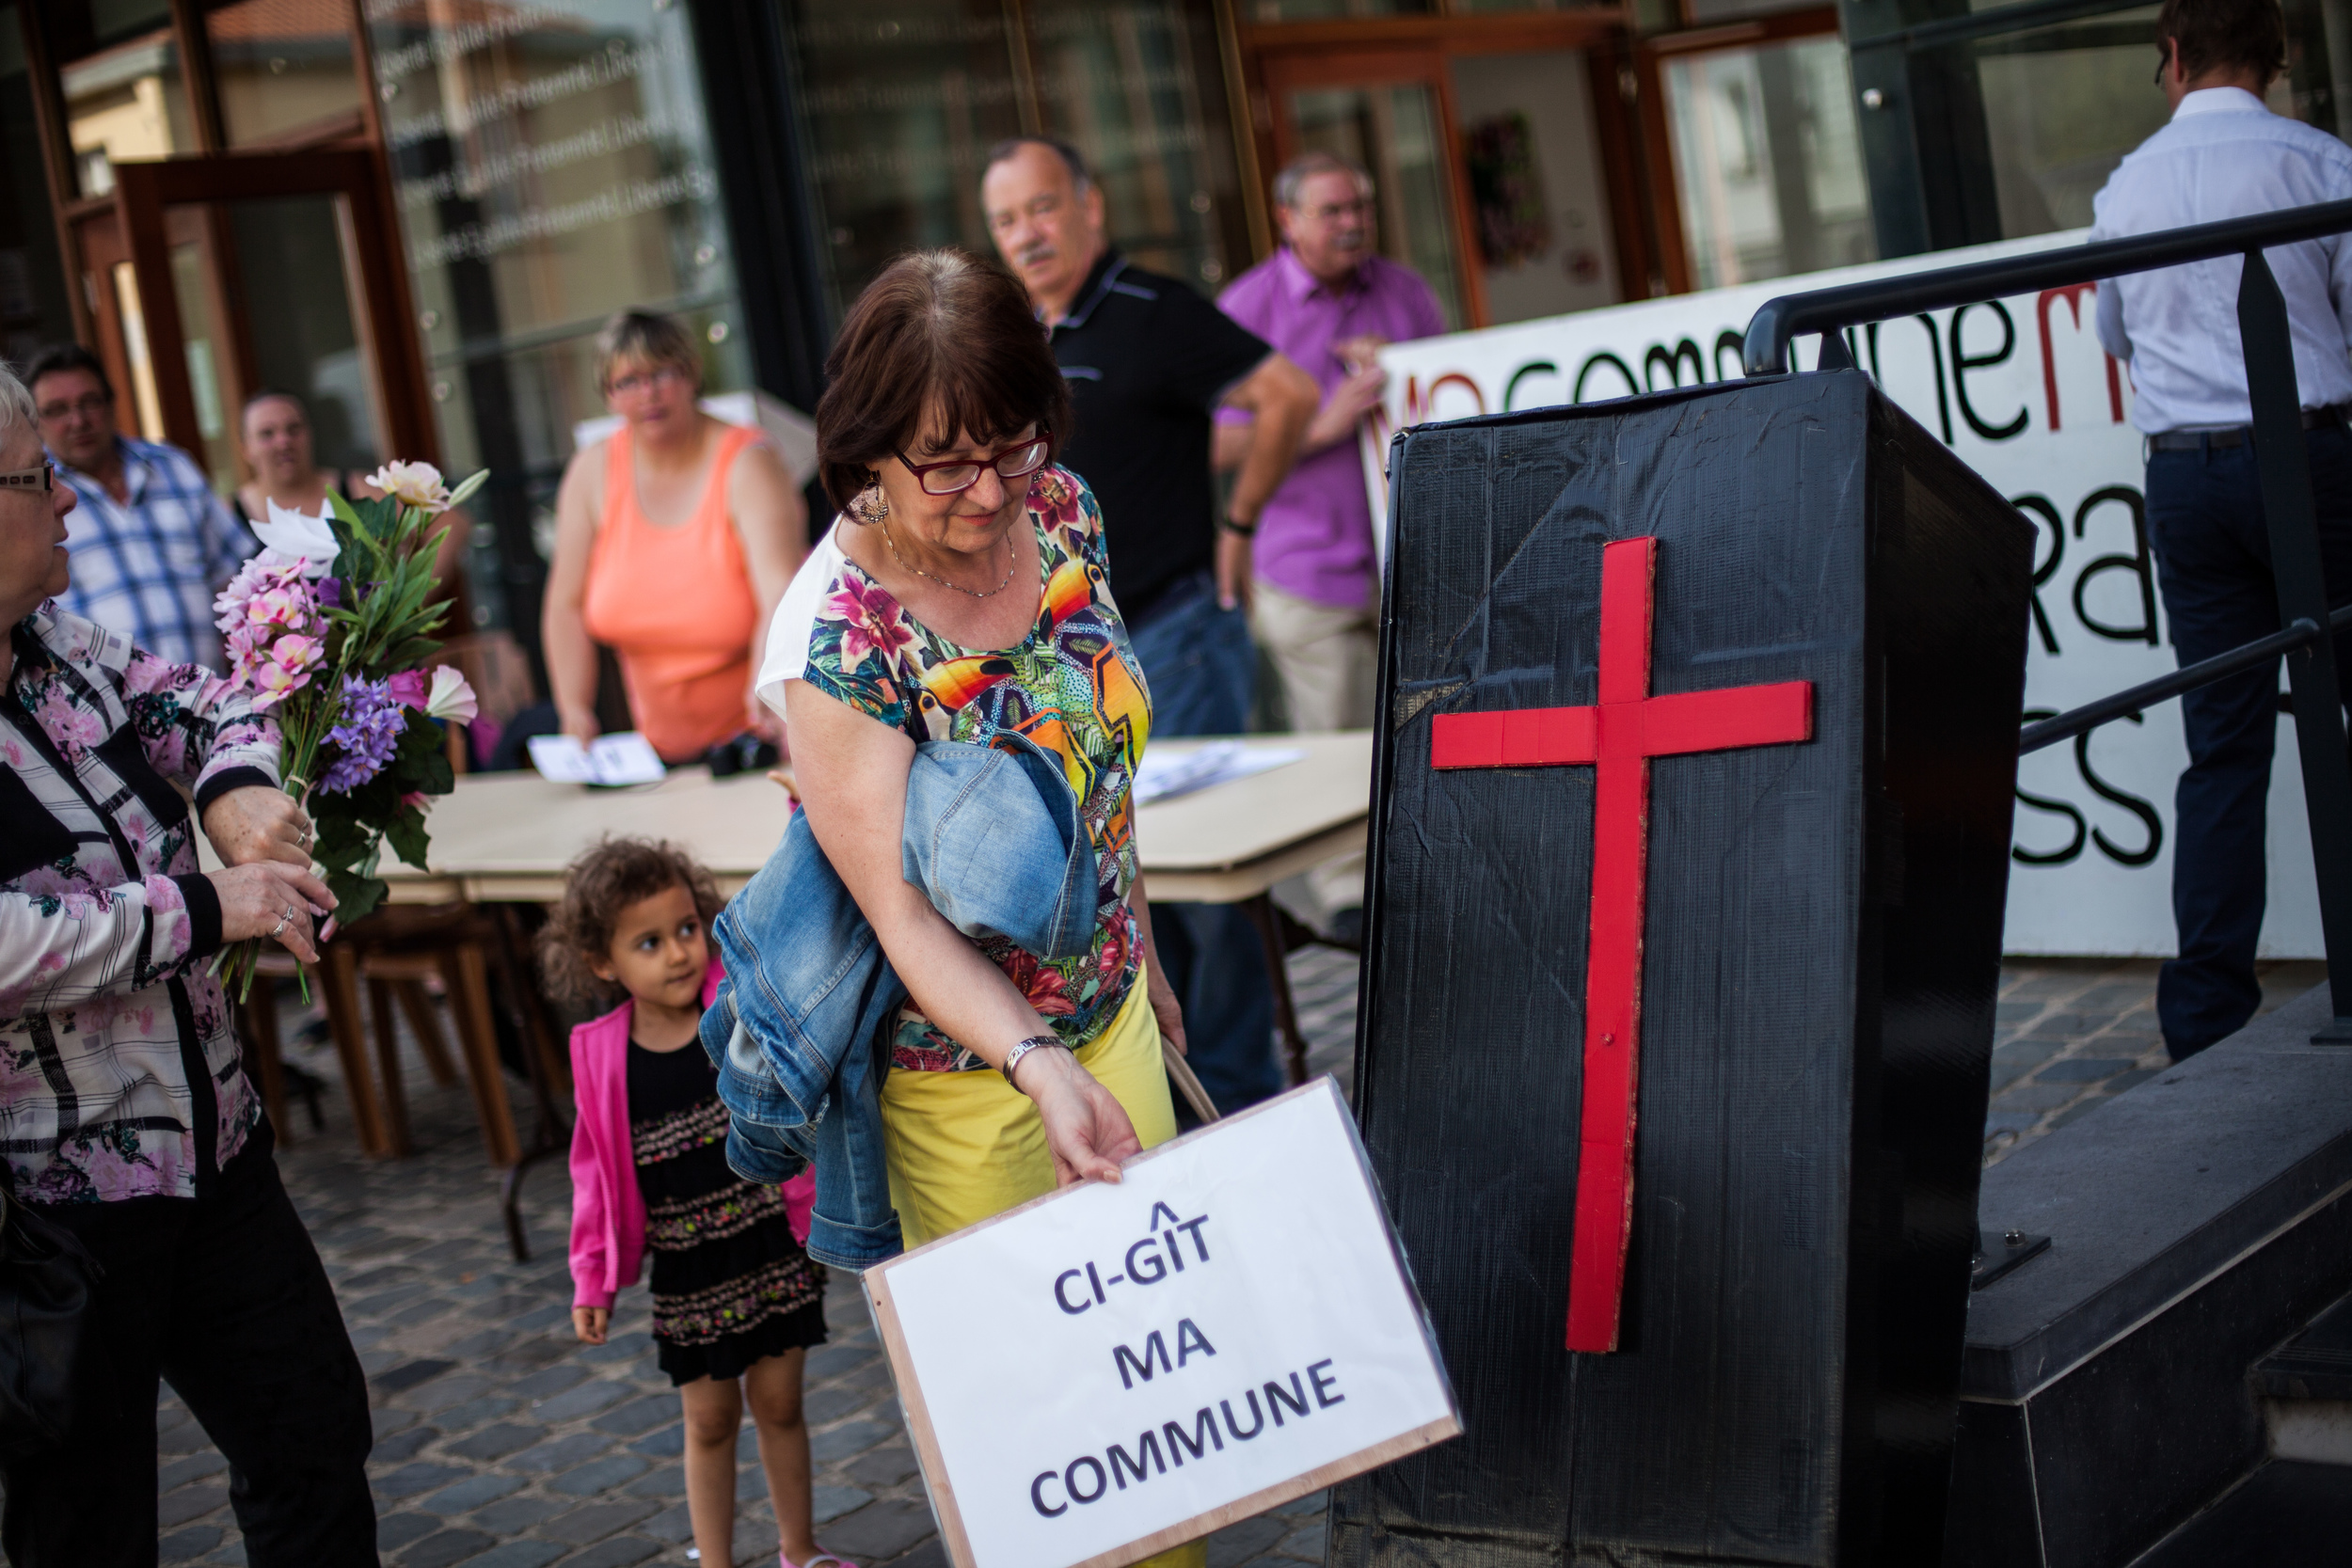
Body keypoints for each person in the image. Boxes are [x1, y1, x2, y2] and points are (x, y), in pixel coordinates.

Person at [755, 248, 1205, 1568]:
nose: (988, 490)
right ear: (869, 451)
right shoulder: (838, 640)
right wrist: (1039, 1062)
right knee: (1056, 1459)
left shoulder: (1063, 509)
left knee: (1168, 1419)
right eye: (947, 461)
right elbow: (903, 918)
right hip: (969, 1079)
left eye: (1012, 444)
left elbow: (1099, 765)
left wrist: (1148, 951)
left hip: (1112, 1010)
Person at [0, 360, 375, 1563]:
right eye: (37, 476)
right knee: (88, 1528)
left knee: (314, 1436)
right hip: (50, 1209)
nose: (67, 502)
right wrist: (204, 905)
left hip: (215, 1144)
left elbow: (216, 706)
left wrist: (235, 795)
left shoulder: (57, 640)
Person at [981, 135, 1320, 1115]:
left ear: (1090, 207)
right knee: (1124, 892)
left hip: (1171, 633)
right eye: (1007, 219)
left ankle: (1240, 1103)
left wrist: (1241, 525)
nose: (1027, 233)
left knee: (1208, 892)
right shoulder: (1011, 338)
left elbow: (1285, 394)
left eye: (1043, 207)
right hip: (1059, 663)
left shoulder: (1150, 309)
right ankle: (1163, 1098)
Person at [2089, 0, 2352, 1059]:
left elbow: (2113, 331)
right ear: (2275, 61)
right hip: (2309, 457)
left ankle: (2203, 1016)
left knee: (2222, 747)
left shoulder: (2127, 185)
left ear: (2176, 56)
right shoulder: (2317, 164)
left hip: (2186, 478)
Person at [544, 838, 847, 1568]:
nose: (679, 953)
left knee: (780, 1404)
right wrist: (592, 1277)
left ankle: (799, 1550)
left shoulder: (736, 1005)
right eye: (649, 942)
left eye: (686, 928)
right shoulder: (601, 1052)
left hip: (769, 1243)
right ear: (602, 961)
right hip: (689, 1266)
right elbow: (592, 1175)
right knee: (709, 1419)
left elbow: (799, 921)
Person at [1216, 150, 1447, 942]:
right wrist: (1325, 421)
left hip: (1414, 553)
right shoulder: (1247, 309)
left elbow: (1454, 385)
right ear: (1288, 220)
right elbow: (1216, 445)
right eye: (1332, 211)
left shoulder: (1404, 289)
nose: (1352, 223)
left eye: (1360, 207)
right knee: (1344, 741)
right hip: (1308, 568)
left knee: (1431, 724)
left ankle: (1433, 870)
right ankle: (1355, 909)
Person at [543, 310, 805, 764]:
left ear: (690, 375)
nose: (649, 394)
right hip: (655, 755)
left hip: (762, 743)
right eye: (628, 381)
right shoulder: (591, 473)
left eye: (662, 373)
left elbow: (780, 593)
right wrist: (573, 710)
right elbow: (563, 604)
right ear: (608, 395)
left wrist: (764, 692)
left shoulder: (748, 462)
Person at [27, 342, 256, 669]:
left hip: (214, 700)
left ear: (111, 403)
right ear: (37, 423)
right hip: (110, 713)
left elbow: (236, 578)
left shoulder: (172, 467)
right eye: (58, 409)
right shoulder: (39, 500)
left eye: (89, 402)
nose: (78, 420)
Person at [231, 388, 471, 588]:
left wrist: (408, 602)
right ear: (246, 449)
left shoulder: (356, 490)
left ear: (309, 434)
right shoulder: (227, 515)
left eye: (294, 429)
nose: (284, 441)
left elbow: (452, 524)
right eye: (267, 434)